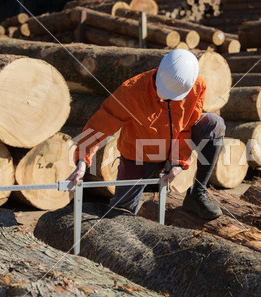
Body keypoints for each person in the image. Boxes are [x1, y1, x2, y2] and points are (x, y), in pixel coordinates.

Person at [67, 49, 225, 220]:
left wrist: (178, 161)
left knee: (213, 123)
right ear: (159, 71)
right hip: (139, 154)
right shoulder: (132, 91)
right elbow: (100, 126)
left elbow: (186, 127)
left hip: (175, 146)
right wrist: (83, 161)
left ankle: (198, 193)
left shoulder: (197, 86)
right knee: (121, 213)